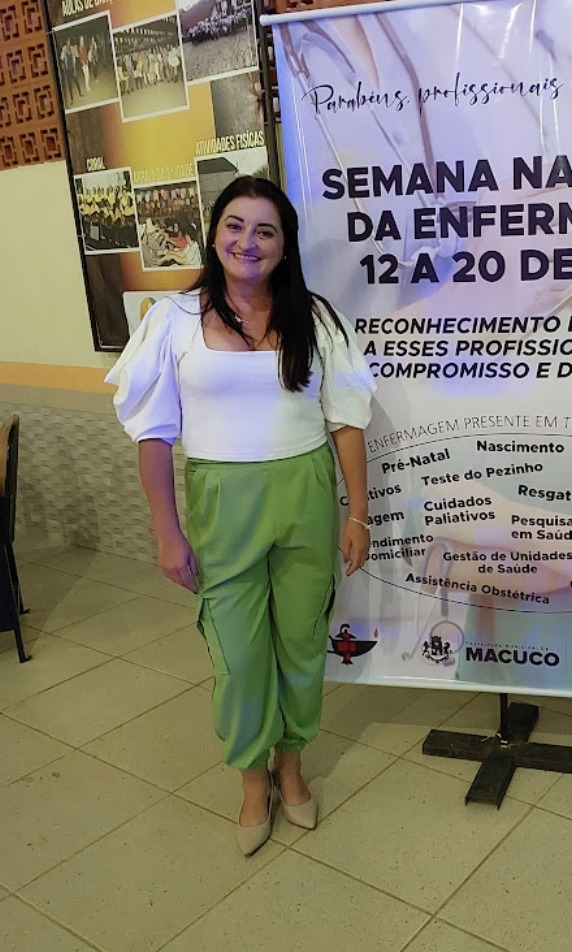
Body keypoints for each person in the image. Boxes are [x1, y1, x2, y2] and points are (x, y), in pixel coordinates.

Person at [105, 176, 376, 856]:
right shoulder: (172, 320)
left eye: (265, 230)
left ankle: (292, 766)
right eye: (234, 225)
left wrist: (359, 515)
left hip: (306, 495)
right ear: (214, 233)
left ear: (284, 246)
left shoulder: (315, 319)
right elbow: (153, 435)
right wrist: (167, 533)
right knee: (238, 653)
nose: (247, 241)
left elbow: (346, 422)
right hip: (222, 504)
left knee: (301, 643)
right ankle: (253, 778)